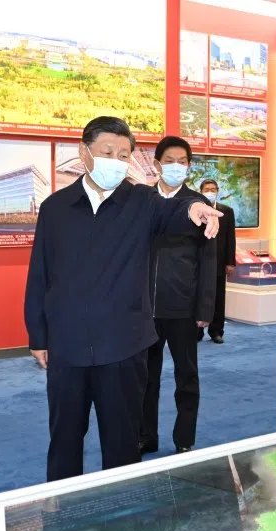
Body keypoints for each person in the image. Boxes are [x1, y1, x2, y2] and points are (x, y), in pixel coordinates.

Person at [24, 117, 223, 482]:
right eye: (107, 152)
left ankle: (123, 511)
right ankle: (62, 509)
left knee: (122, 444)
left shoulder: (141, 200)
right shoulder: (55, 208)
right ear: (84, 153)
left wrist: (194, 208)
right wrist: (38, 335)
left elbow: (174, 210)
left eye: (124, 154)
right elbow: (40, 274)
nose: (116, 161)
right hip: (68, 346)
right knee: (65, 439)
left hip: (124, 347)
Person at [141, 137, 216, 456]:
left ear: (189, 166)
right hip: (144, 308)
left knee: (186, 376)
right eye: (169, 160)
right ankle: (145, 435)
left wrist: (205, 309)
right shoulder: (143, 200)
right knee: (145, 378)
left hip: (183, 306)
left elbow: (208, 260)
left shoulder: (199, 204)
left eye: (182, 161)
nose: (176, 166)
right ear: (157, 164)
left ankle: (184, 438)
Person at [198, 179, 236, 344]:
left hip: (219, 262)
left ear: (218, 191)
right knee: (198, 296)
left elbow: (230, 238)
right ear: (201, 191)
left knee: (218, 297)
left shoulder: (227, 211)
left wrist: (230, 262)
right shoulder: (195, 210)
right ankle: (196, 332)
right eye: (207, 189)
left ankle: (216, 331)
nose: (210, 192)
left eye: (213, 189)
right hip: (198, 262)